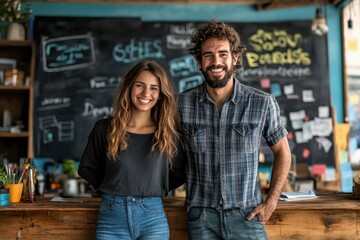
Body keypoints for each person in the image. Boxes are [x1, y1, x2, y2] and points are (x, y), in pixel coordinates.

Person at [171, 19, 292, 240]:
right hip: (202, 218)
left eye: (223, 54)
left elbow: (283, 152)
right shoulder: (181, 105)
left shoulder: (262, 103)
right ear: (199, 61)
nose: (216, 61)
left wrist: (272, 201)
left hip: (247, 216)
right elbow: (162, 149)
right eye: (208, 55)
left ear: (235, 57)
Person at [78, 60, 181, 240]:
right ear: (128, 87)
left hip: (153, 218)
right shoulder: (104, 128)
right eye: (139, 85)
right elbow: (87, 168)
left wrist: (153, 186)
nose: (146, 93)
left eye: (154, 88)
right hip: (111, 217)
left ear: (161, 94)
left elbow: (179, 172)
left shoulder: (168, 133)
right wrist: (112, 185)